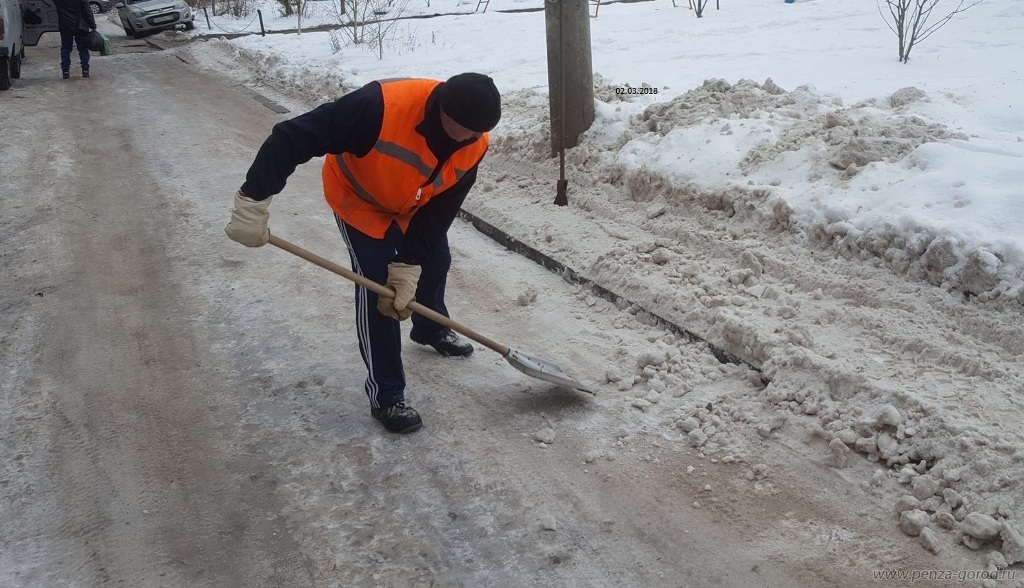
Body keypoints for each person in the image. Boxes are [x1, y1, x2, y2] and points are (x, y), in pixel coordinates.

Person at [226, 73, 501, 434]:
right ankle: (387, 396)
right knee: (380, 289)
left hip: (414, 201)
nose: (471, 138)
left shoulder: (475, 141)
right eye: (465, 129)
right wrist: (253, 199)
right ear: (444, 111)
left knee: (436, 260)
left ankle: (431, 328)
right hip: (360, 199)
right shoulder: (379, 107)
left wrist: (410, 262)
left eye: (478, 133)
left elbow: (441, 210)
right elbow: (291, 137)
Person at [54, 0, 96, 79]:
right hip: (80, 26)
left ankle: (65, 71)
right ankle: (85, 70)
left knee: (65, 48)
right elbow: (87, 10)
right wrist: (92, 25)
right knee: (82, 48)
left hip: (65, 25)